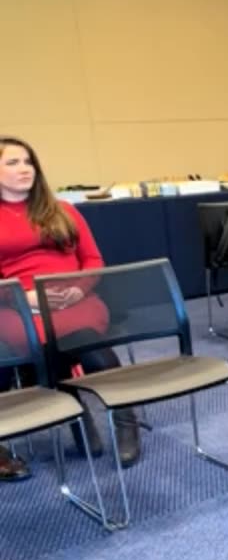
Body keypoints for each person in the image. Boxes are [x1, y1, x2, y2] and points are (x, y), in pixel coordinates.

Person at [0, 136, 141, 477]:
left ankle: (125, 420)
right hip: (17, 305)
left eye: (28, 161)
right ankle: (76, 418)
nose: (24, 169)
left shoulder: (64, 209)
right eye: (12, 162)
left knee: (87, 341)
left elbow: (92, 259)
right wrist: (26, 298)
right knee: (38, 341)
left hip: (76, 300)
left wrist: (77, 291)